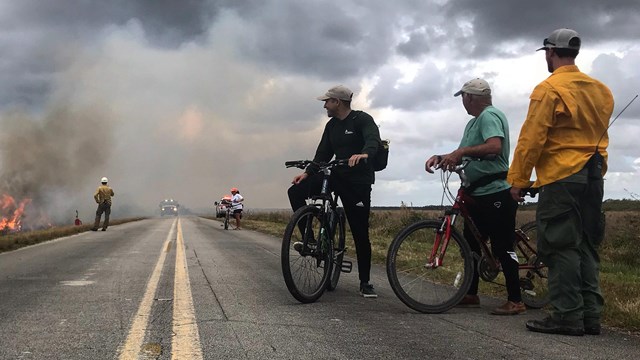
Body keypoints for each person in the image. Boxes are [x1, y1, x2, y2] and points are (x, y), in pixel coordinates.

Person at [508, 28, 614, 336]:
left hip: (560, 176)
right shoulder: (602, 90)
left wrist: (518, 179)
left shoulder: (548, 89)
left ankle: (567, 316)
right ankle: (591, 315)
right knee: (587, 244)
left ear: (551, 53)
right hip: (594, 175)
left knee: (560, 245)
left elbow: (531, 140)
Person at [425, 78, 524, 315]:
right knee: (471, 244)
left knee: (502, 245)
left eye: (463, 98)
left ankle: (516, 299)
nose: (463, 102)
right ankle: (470, 293)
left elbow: (494, 147)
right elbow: (463, 155)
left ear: (469, 97)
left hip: (495, 191)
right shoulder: (473, 124)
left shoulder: (489, 116)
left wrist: (460, 152)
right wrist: (443, 157)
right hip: (476, 192)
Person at [288, 85, 382, 298]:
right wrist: (307, 173)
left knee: (360, 231)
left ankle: (365, 282)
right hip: (335, 175)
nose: (324, 105)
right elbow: (323, 153)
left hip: (357, 181)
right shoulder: (331, 126)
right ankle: (310, 241)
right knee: (295, 192)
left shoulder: (362, 120)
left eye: (327, 101)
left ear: (337, 102)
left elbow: (372, 140)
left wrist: (364, 154)